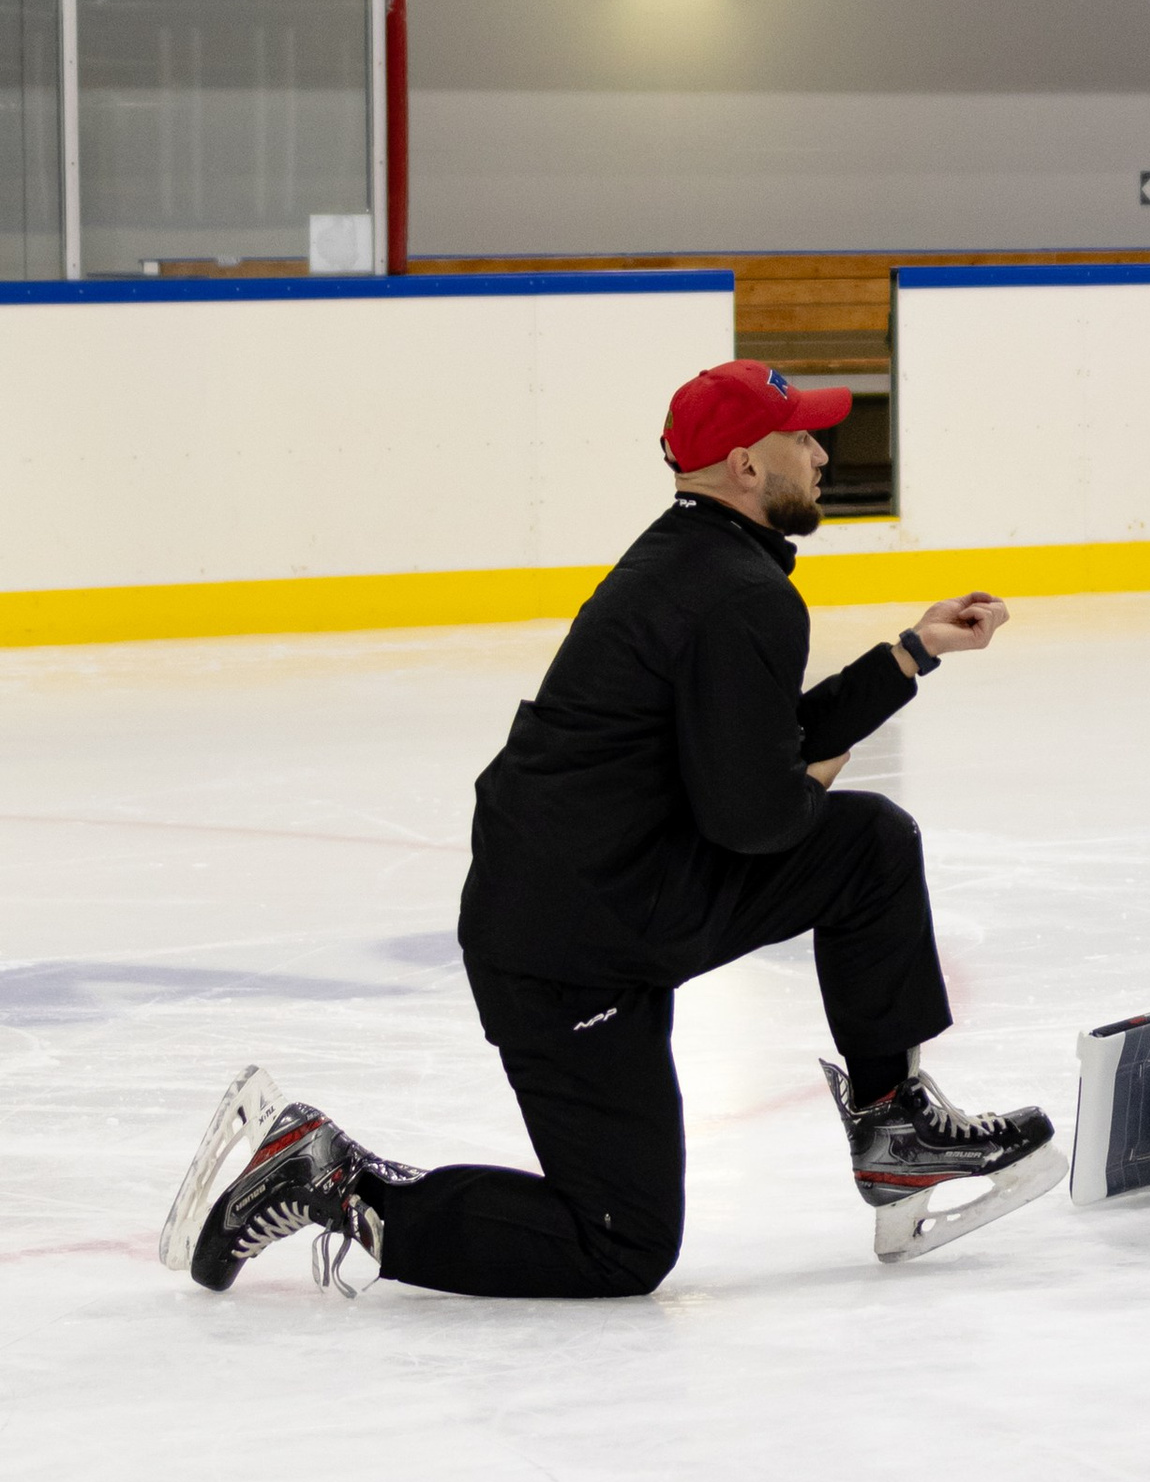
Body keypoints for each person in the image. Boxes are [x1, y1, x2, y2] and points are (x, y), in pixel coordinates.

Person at [161, 358, 1060, 1300]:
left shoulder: (695, 557)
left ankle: (895, 1129)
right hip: (574, 949)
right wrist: (814, 775)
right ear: (748, 467)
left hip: (599, 906)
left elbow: (755, 747)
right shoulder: (741, 592)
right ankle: (334, 1181)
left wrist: (910, 654)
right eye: (803, 437)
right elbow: (758, 819)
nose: (823, 451)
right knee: (619, 1243)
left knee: (865, 842)